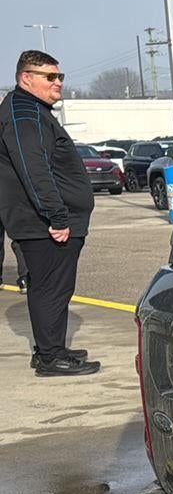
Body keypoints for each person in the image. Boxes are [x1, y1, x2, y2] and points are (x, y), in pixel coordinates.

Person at [0, 51, 99, 376]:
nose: (58, 83)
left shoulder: (31, 110)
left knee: (55, 287)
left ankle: (51, 348)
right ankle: (49, 357)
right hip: (44, 224)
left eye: (60, 77)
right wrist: (56, 216)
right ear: (26, 78)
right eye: (50, 77)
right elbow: (33, 168)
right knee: (50, 288)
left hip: (46, 221)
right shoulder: (24, 113)